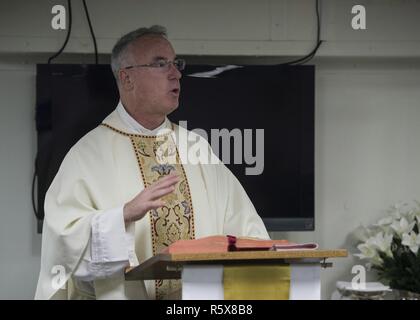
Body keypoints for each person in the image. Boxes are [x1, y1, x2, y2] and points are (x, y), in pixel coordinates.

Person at [35, 25, 269, 300]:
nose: (176, 73)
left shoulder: (196, 148)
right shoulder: (88, 154)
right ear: (127, 78)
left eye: (176, 63)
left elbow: (247, 231)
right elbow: (63, 242)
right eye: (161, 64)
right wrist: (120, 217)